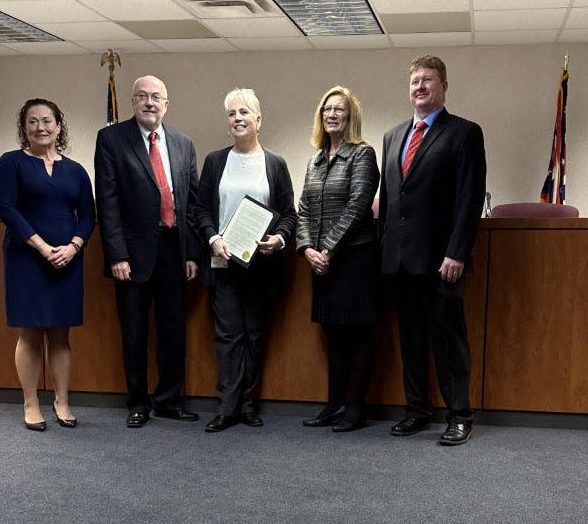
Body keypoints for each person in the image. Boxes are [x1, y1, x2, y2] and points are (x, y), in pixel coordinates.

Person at [379, 55, 486, 446]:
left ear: (444, 86)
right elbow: (390, 200)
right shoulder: (393, 137)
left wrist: (457, 252)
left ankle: (460, 416)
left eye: (428, 80)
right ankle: (418, 411)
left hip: (442, 262)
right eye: (414, 82)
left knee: (448, 342)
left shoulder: (464, 133)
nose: (419, 87)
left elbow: (468, 199)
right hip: (400, 263)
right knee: (410, 341)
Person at [94, 74, 200, 428]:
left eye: (156, 97)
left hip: (174, 248)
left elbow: (191, 203)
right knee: (135, 332)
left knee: (173, 331)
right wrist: (116, 255)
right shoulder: (111, 139)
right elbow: (107, 203)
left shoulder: (184, 143)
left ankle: (169, 399)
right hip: (133, 254)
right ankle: (138, 402)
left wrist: (191, 253)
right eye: (142, 96)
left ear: (167, 104)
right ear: (133, 101)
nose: (149, 102)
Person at [195, 89, 296, 432]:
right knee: (228, 336)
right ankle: (227, 408)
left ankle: (248, 405)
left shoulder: (275, 164)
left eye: (244, 112)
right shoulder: (214, 161)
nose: (237, 118)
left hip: (261, 264)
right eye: (231, 113)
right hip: (223, 263)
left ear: (258, 120)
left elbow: (288, 214)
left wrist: (279, 239)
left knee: (253, 335)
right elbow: (201, 210)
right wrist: (213, 238)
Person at [0, 99, 95, 431]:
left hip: (67, 260)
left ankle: (62, 403)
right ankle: (31, 403)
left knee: (61, 335)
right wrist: (42, 246)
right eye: (33, 121)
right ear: (24, 128)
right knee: (31, 333)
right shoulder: (11, 164)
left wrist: (74, 247)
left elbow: (88, 216)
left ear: (59, 127)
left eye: (47, 121)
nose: (41, 127)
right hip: (27, 260)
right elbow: (7, 209)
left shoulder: (75, 170)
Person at [297, 86, 380, 432]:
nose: (332, 115)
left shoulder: (362, 155)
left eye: (339, 110)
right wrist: (306, 249)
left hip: (354, 260)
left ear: (351, 117)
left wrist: (327, 249)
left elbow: (358, 206)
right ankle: (334, 405)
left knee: (358, 336)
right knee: (334, 337)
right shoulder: (315, 160)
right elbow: (303, 209)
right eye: (327, 110)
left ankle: (356, 409)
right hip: (322, 264)